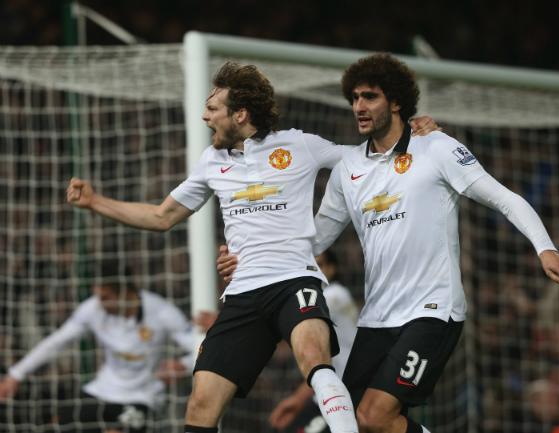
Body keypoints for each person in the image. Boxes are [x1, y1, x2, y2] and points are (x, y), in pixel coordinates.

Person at [66, 61, 436, 433]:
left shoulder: (299, 145)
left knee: (314, 359)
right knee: (201, 402)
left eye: (212, 109)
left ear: (240, 114)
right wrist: (95, 202)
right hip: (243, 293)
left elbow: (368, 158)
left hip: (294, 280)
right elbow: (162, 216)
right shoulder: (211, 162)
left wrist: (419, 137)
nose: (205, 116)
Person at [309, 53, 559, 433]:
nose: (359, 107)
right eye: (354, 98)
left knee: (375, 416)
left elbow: (503, 197)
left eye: (369, 96)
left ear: (396, 101)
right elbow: (316, 237)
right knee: (351, 421)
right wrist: (255, 260)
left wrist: (545, 247)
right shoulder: (347, 169)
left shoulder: (435, 147)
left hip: (431, 311)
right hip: (377, 316)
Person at [0, 259, 197, 433]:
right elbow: (57, 342)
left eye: (105, 297)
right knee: (58, 425)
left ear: (125, 292)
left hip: (141, 397)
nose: (100, 303)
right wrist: (16, 374)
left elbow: (200, 348)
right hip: (102, 390)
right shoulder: (92, 309)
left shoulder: (162, 312)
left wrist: (183, 364)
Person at [269, 250, 358, 433]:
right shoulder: (333, 296)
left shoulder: (334, 295)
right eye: (310, 265)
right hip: (329, 392)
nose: (314, 270)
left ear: (332, 269)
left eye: (320, 265)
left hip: (344, 393)